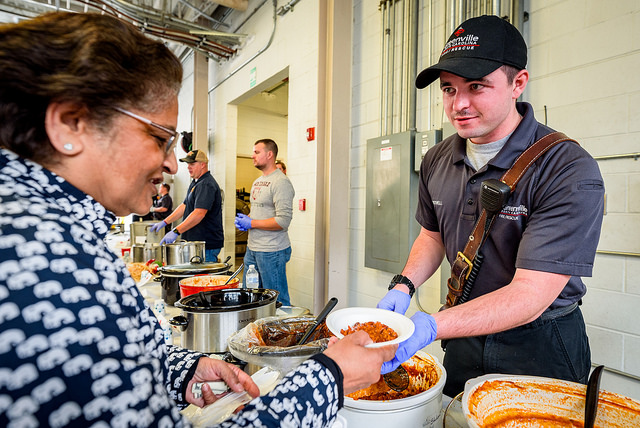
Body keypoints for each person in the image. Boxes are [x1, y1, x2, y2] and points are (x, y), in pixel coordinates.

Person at [0, 12, 396, 427]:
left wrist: (178, 369)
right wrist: (328, 380)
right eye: (159, 138)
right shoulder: (39, 260)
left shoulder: (58, 234)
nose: (170, 163)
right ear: (70, 123)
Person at [377, 15, 605, 397]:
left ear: (518, 83)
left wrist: (431, 326)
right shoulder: (437, 158)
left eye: (476, 86)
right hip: (463, 332)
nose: (458, 105)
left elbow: (530, 296)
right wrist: (404, 285)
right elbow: (432, 236)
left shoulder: (566, 167)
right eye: (449, 89)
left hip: (538, 342)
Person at [235, 139, 295, 306]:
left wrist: (252, 223)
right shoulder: (257, 182)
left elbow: (283, 221)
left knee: (276, 301)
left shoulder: (281, 182)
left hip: (271, 251)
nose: (252, 155)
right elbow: (260, 213)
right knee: (251, 298)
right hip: (253, 248)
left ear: (269, 155)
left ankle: (283, 332)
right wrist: (244, 222)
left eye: (257, 152)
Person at [152, 149, 224, 262]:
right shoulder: (196, 182)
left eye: (192, 164)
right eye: (187, 164)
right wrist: (165, 222)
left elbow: (199, 214)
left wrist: (176, 231)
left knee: (203, 279)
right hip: (195, 244)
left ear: (202, 164)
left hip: (206, 245)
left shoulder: (206, 184)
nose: (188, 167)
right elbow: (184, 206)